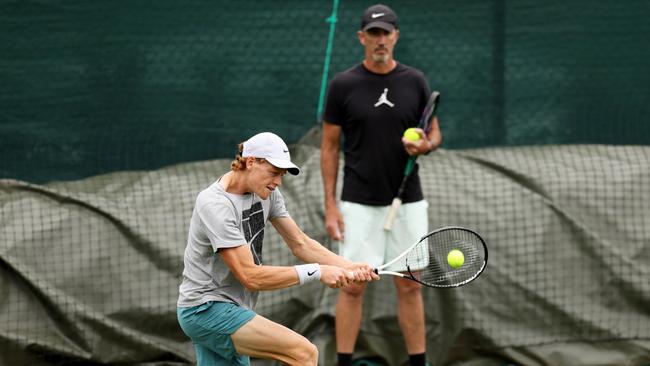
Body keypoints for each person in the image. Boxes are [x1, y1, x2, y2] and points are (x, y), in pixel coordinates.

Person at [177, 132, 378, 366]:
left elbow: (300, 243)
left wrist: (349, 266)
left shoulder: (268, 194)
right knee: (304, 353)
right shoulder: (215, 204)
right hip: (206, 309)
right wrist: (318, 271)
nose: (278, 182)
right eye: (273, 173)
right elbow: (250, 276)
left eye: (281, 175)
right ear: (250, 162)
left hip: (234, 306)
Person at [320, 4, 442, 366]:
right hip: (357, 202)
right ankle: (343, 362)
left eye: (386, 32)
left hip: (408, 201)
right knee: (353, 286)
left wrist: (425, 145)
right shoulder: (343, 85)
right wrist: (330, 206)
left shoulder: (415, 81)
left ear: (396, 36)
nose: (380, 40)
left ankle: (418, 363)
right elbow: (328, 147)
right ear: (362, 38)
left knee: (409, 285)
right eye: (373, 33)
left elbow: (433, 132)